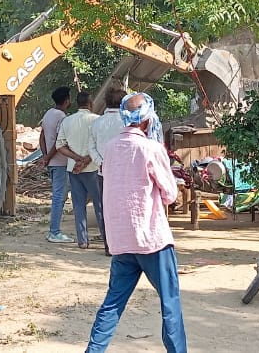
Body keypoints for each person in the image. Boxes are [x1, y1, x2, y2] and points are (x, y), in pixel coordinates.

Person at [86, 92, 185, 353]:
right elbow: (170, 194)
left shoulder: (110, 147)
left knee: (112, 304)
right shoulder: (151, 148)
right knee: (170, 304)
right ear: (148, 120)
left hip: (121, 241)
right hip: (152, 240)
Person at [56, 91, 103, 249]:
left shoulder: (67, 121)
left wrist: (77, 159)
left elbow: (60, 145)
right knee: (99, 204)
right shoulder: (97, 121)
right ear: (90, 104)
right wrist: (87, 159)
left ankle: (82, 240)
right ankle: (106, 238)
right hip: (93, 168)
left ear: (77, 104)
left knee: (78, 205)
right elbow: (100, 145)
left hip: (73, 169)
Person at [88, 87, 128, 255]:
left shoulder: (97, 123)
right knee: (126, 209)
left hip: (103, 173)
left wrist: (101, 163)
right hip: (126, 173)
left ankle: (109, 246)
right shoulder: (127, 122)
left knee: (107, 209)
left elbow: (91, 147)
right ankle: (125, 246)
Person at [39, 86, 74, 244]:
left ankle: (54, 230)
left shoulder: (48, 114)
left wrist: (45, 155)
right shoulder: (62, 117)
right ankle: (54, 231)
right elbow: (60, 142)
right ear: (67, 100)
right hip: (60, 162)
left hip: (53, 162)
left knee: (58, 195)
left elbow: (42, 137)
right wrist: (48, 156)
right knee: (59, 197)